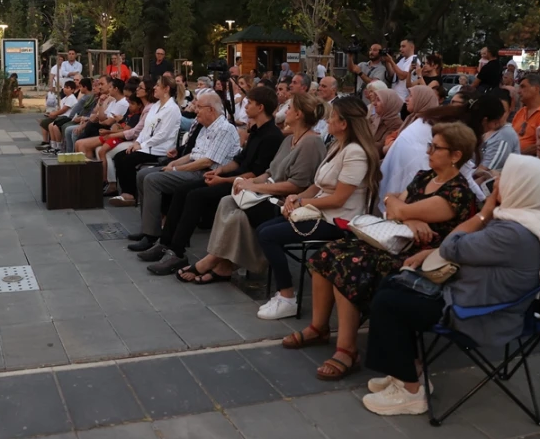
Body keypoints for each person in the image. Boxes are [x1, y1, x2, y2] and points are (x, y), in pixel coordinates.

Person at [361, 155, 540, 416]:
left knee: (389, 303)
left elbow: (451, 246)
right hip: (486, 299)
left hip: (481, 314)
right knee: (393, 284)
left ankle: (410, 392)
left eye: (504, 178)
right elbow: (469, 251)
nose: (497, 182)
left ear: (521, 188)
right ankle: (408, 370)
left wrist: (484, 213)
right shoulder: (534, 223)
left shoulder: (511, 233)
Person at [291, 122, 478, 381]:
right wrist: (407, 216)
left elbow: (399, 207)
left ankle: (347, 349)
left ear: (456, 155)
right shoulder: (424, 177)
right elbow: (390, 201)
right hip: (396, 241)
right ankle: (319, 327)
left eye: (436, 148)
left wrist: (402, 210)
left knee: (349, 263)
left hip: (422, 257)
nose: (429, 151)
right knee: (328, 252)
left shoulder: (457, 192)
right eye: (430, 145)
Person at [179, 92, 327, 284]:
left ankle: (214, 260)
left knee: (238, 215)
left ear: (298, 114)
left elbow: (297, 185)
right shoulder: (289, 140)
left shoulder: (311, 143)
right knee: (227, 202)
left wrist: (257, 187)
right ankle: (222, 265)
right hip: (269, 194)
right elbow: (269, 172)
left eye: (289, 108)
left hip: (286, 203)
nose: (285, 111)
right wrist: (249, 183)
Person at [255, 96, 381, 320]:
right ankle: (284, 293)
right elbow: (318, 185)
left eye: (333, 117)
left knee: (268, 236)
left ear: (344, 124)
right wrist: (295, 198)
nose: (328, 121)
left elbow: (339, 199)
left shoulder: (355, 153)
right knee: (264, 228)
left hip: (337, 221)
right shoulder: (337, 146)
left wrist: (302, 203)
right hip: (320, 213)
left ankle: (287, 297)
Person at [141, 86, 284, 275]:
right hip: (234, 178)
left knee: (196, 196)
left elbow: (257, 174)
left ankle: (177, 252)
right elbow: (239, 160)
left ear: (261, 107)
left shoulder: (272, 136)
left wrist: (223, 180)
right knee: (182, 190)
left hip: (247, 186)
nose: (246, 106)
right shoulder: (257, 130)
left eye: (250, 103)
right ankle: (165, 243)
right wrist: (220, 171)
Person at [126, 91, 241, 252]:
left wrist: (175, 169)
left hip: (207, 174)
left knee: (153, 180)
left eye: (199, 107)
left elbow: (207, 161)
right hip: (195, 167)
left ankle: (151, 235)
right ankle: (148, 226)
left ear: (211, 110)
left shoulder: (224, 129)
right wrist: (174, 163)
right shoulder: (206, 127)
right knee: (142, 174)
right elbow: (193, 154)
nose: (195, 110)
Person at [111, 76, 182, 205]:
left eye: (158, 85)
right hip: (147, 146)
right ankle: (127, 192)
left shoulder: (172, 109)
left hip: (160, 149)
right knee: (119, 156)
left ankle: (130, 194)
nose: (154, 87)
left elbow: (163, 135)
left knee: (127, 159)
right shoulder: (155, 106)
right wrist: (137, 142)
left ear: (166, 89)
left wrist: (142, 145)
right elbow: (146, 129)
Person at [100, 79, 153, 195]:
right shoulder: (144, 108)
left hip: (143, 143)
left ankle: (123, 190)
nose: (137, 89)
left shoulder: (149, 109)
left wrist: (112, 134)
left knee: (118, 156)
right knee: (113, 154)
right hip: (136, 139)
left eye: (140, 88)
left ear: (148, 91)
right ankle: (119, 189)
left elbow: (135, 131)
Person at [472, 91, 519, 182]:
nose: (498, 116)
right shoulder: (484, 129)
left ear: (509, 111)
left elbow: (484, 171)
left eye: (503, 112)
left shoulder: (505, 134)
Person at [75, 78, 129, 158]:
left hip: (111, 131)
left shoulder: (122, 103)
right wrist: (101, 104)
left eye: (110, 87)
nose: (108, 89)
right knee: (78, 142)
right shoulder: (114, 101)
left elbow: (108, 122)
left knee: (81, 143)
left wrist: (101, 121)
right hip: (105, 129)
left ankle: (90, 165)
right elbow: (102, 118)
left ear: (116, 89)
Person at [367, 82, 404, 153]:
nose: (374, 103)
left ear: (389, 103)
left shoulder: (396, 124)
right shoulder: (377, 118)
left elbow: (381, 147)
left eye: (378, 100)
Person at [383, 38, 421, 102]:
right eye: (400, 47)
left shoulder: (414, 60)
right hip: (395, 96)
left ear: (412, 47)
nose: (400, 49)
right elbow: (393, 74)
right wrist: (388, 61)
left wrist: (391, 61)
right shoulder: (402, 60)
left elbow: (402, 76)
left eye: (403, 46)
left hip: (404, 98)